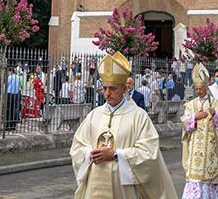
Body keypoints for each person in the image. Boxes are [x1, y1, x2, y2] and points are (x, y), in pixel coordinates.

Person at [70, 52, 177, 199]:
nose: (107, 93)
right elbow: (77, 147)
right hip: (94, 185)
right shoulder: (94, 115)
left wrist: (116, 154)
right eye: (105, 88)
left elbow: (149, 154)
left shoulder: (139, 116)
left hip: (122, 190)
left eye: (112, 88)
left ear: (125, 89)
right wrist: (90, 153)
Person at [181, 63, 218, 199]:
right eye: (197, 89)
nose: (199, 91)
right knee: (194, 181)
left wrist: (215, 115)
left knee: (210, 182)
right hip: (195, 152)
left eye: (201, 88)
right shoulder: (190, 105)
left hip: (210, 150)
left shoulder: (216, 103)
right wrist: (195, 117)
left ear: (206, 88)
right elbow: (185, 123)